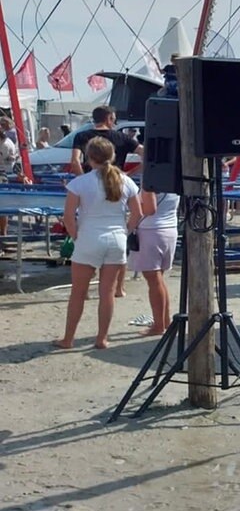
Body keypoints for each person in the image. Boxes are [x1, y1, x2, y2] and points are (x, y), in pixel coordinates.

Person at [54, 137, 142, 350]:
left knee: (78, 292)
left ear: (89, 157)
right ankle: (101, 338)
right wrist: (124, 231)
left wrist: (77, 237)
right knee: (108, 292)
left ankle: (68, 338)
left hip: (89, 237)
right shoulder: (125, 181)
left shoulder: (80, 183)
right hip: (116, 239)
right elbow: (137, 214)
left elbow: (68, 217)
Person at [70, 106, 144, 297]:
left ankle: (85, 286)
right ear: (110, 118)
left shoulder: (82, 136)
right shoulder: (123, 138)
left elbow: (75, 161)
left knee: (86, 229)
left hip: (89, 187)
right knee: (118, 238)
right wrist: (128, 174)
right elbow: (147, 155)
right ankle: (119, 287)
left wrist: (82, 180)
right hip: (117, 186)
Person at [128, 190, 180, 336]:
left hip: (151, 230)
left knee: (154, 280)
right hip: (169, 228)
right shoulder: (173, 177)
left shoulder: (151, 179)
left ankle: (158, 326)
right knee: (159, 280)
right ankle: (165, 321)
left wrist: (131, 205)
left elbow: (149, 209)